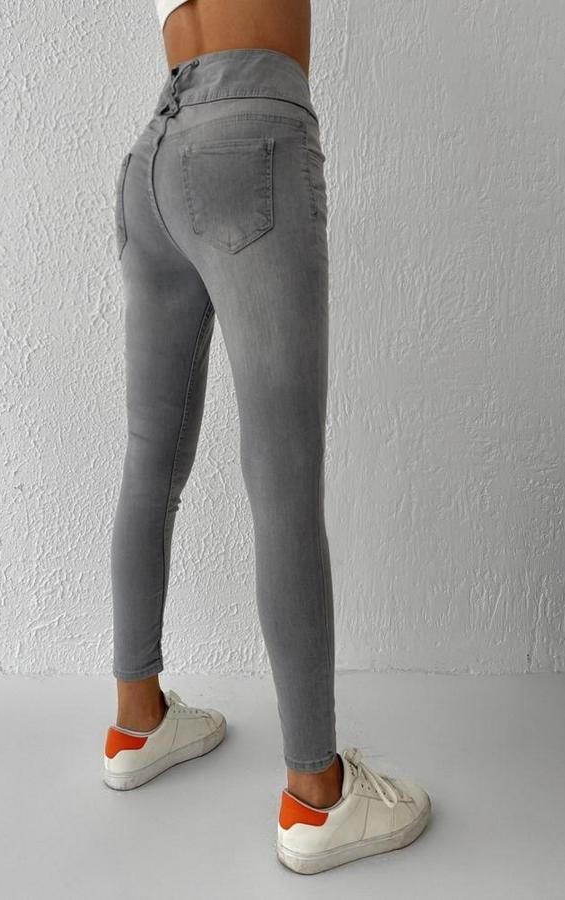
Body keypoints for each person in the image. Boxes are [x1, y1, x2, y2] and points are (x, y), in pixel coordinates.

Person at [102, 0, 431, 874]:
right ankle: (317, 794)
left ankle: (137, 720)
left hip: (155, 154)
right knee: (283, 475)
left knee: (150, 454)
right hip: (248, 133)